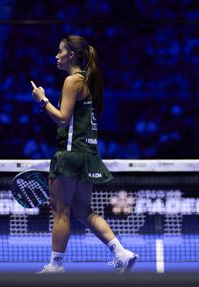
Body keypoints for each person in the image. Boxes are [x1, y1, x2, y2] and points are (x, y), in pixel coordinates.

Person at [30, 35, 138, 273]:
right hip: (87, 153)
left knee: (60, 212)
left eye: (60, 51)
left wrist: (42, 100)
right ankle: (121, 253)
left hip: (69, 154)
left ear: (71, 55)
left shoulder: (72, 81)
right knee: (82, 210)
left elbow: (62, 118)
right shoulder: (88, 80)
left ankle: (55, 267)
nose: (56, 56)